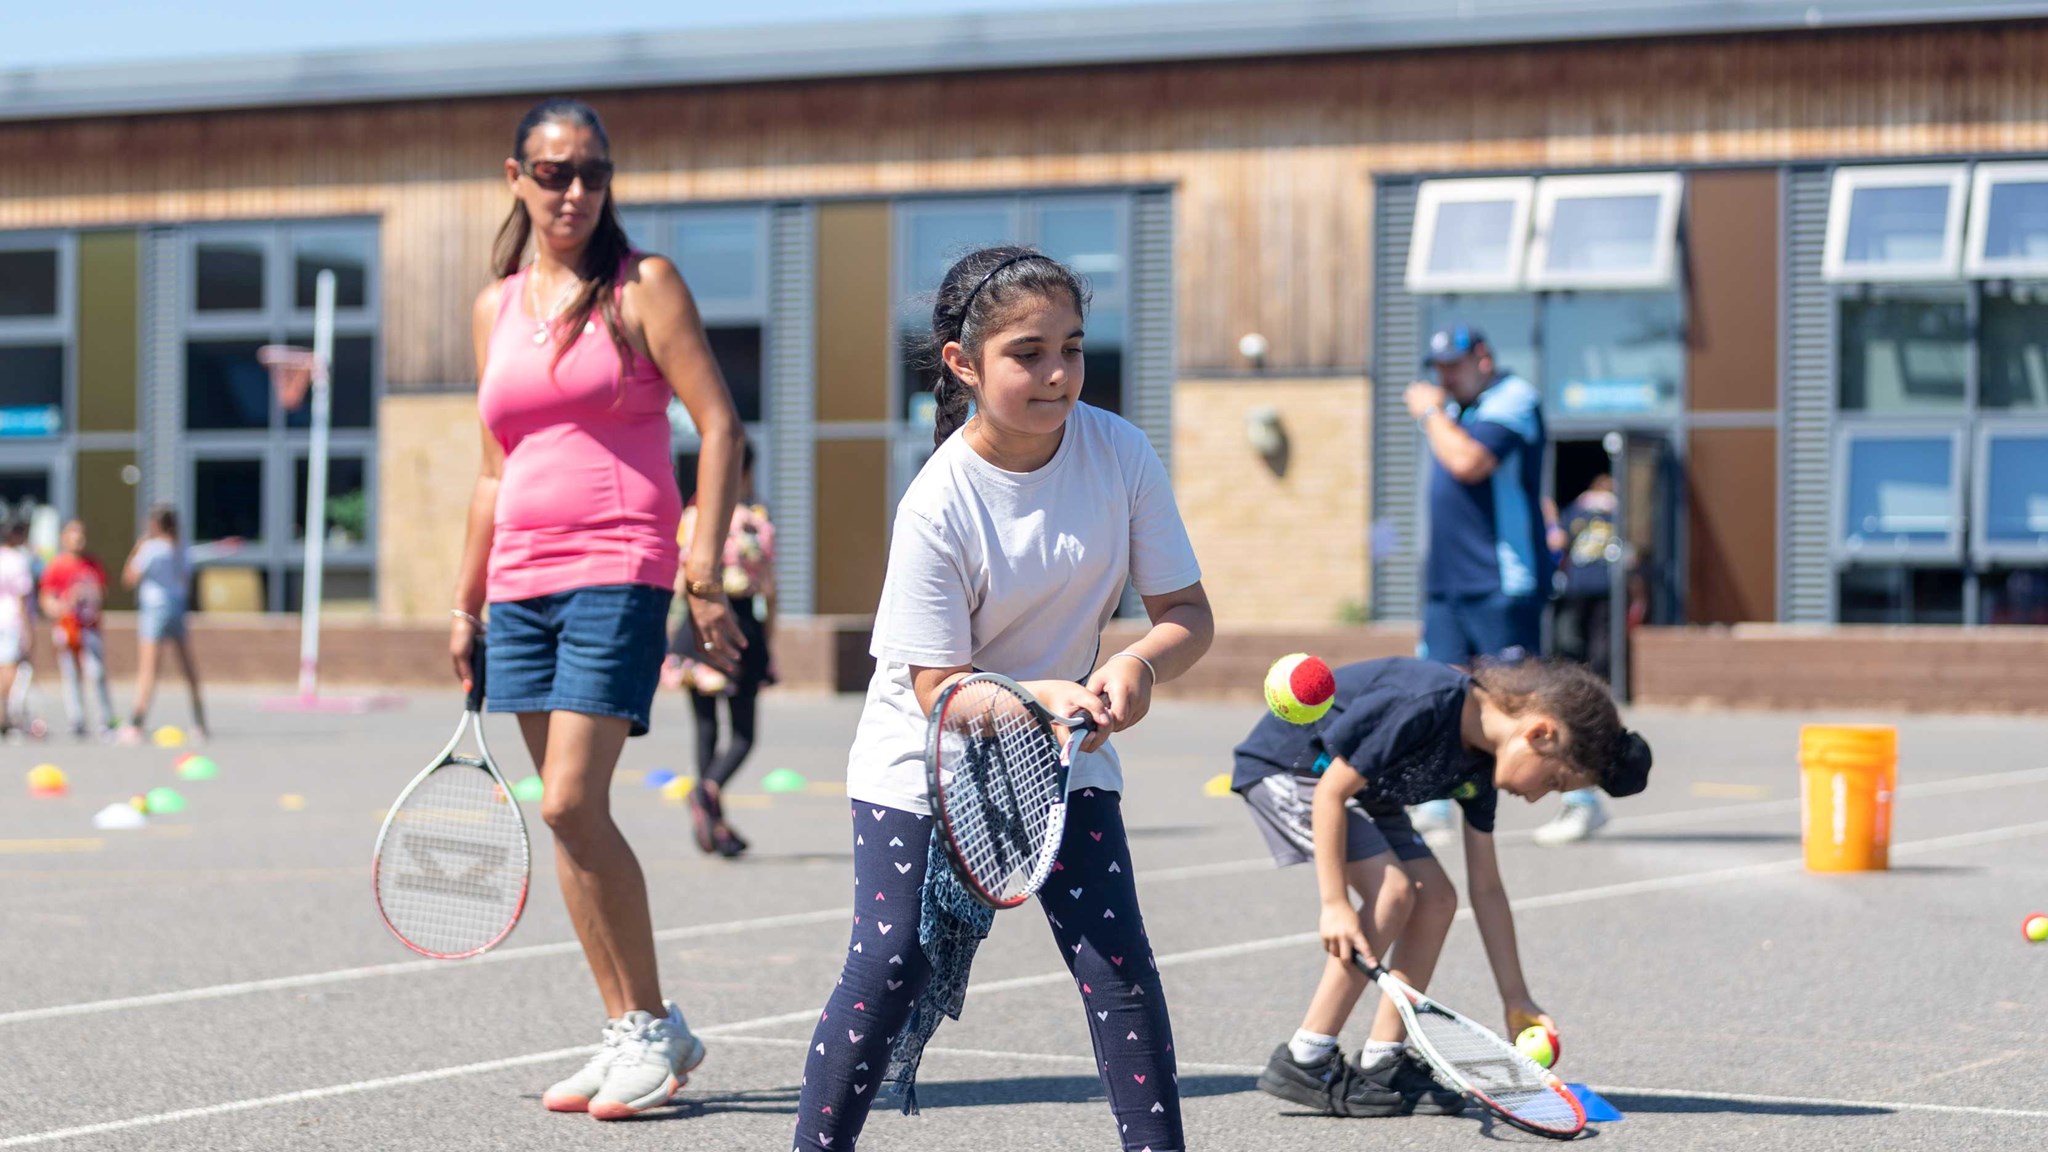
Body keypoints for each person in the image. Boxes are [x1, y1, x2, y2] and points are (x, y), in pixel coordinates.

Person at [791, 247, 1212, 1152]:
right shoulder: (938, 503)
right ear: (964, 364)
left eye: (1073, 346)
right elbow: (939, 689)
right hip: (926, 754)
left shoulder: (1120, 453)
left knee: (1118, 968)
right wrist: (1038, 693)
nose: (1059, 373)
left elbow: (1187, 615)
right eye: (1029, 353)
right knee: (891, 962)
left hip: (1062, 746)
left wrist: (1140, 664)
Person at [449, 96, 747, 1122]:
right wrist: (465, 602)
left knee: (574, 800)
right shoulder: (494, 307)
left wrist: (700, 572)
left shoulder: (642, 286)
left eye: (590, 173)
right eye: (552, 172)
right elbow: (494, 471)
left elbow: (717, 427)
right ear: (515, 177)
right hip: (519, 584)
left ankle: (652, 1025)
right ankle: (628, 1027)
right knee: (564, 817)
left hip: (619, 565)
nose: (572, 191)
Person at [1240, 656, 1652, 1117]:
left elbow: (1487, 889)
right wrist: (1334, 903)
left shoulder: (1481, 767)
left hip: (1365, 791)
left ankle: (1383, 1060)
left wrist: (1516, 998)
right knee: (1393, 890)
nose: (1537, 797)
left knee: (1438, 897)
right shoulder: (1426, 704)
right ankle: (1306, 1057)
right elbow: (1331, 793)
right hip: (1294, 771)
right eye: (1552, 781)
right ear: (1539, 733)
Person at [1401, 326, 1575, 843]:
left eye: (1454, 365)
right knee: (1440, 693)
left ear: (1483, 357)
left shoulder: (1514, 399)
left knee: (1527, 696)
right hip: (1448, 583)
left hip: (1501, 579)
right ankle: (1434, 802)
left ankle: (1583, 796)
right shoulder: (1457, 412)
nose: (1445, 377)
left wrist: (1430, 413)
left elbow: (1468, 463)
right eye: (1439, 369)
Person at [675, 439, 777, 857]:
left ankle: (713, 823)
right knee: (743, 734)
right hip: (739, 626)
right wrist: (767, 640)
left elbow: (679, 581)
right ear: (748, 473)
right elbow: (769, 591)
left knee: (704, 728)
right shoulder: (754, 523)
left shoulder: (691, 518)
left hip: (694, 625)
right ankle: (708, 793)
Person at [119, 505, 213, 743]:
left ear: (154, 525)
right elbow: (185, 580)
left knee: (148, 669)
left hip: (154, 608)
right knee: (187, 668)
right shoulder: (181, 549)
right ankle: (200, 723)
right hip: (177, 607)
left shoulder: (150, 549)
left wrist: (136, 550)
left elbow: (129, 579)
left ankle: (136, 724)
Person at [39, 520, 115, 740]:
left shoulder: (92, 565)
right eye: (73, 535)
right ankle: (77, 719)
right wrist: (63, 605)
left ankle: (105, 719)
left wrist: (88, 595)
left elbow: (102, 593)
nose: (78, 540)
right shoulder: (57, 565)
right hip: (68, 627)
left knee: (97, 672)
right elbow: (46, 599)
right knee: (71, 674)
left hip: (90, 627)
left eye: (81, 535)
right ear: (64, 538)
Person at [0, 513, 32, 739]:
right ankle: (4, 715)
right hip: (11, 620)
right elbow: (21, 598)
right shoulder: (18, 560)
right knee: (9, 669)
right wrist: (27, 630)